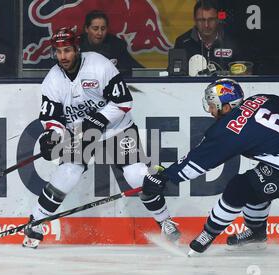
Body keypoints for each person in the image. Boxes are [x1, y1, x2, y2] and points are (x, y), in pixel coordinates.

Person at [22, 27, 180, 249]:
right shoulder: (52, 81)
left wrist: (98, 120)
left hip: (117, 130)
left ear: (77, 48)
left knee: (136, 175)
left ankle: (165, 221)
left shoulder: (99, 65)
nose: (63, 57)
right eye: (58, 52)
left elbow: (124, 102)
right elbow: (52, 118)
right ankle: (35, 223)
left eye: (67, 50)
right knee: (66, 174)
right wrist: (52, 137)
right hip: (80, 134)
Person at [143, 78, 279, 255]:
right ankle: (256, 234)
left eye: (212, 106)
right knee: (255, 187)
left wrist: (166, 176)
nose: (211, 111)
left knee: (238, 188)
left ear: (227, 107)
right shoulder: (261, 98)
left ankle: (207, 235)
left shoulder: (227, 131)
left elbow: (197, 161)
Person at [174, 0, 241, 75]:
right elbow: (175, 75)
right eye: (201, 20)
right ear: (195, 20)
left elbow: (244, 72)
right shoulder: (183, 42)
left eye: (211, 19)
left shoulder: (232, 41)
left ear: (218, 19)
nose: (206, 25)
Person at [79, 10, 143, 77]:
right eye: (95, 29)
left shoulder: (117, 45)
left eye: (103, 29)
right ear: (86, 29)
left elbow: (134, 70)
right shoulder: (76, 45)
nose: (100, 33)